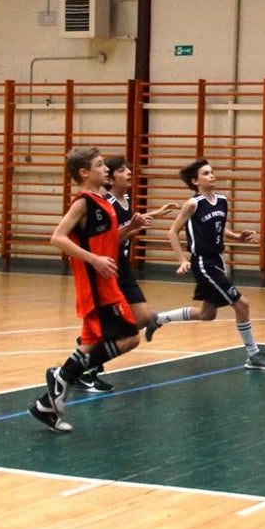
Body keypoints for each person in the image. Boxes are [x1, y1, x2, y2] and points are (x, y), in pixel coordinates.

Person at [28, 147, 144, 432]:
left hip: (107, 280)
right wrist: (94, 260)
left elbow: (106, 242)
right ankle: (62, 375)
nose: (106, 169)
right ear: (84, 173)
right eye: (100, 165)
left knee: (90, 345)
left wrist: (129, 229)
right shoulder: (83, 202)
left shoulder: (103, 201)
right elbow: (58, 238)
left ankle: (46, 407)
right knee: (130, 338)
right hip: (97, 286)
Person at [149, 159, 265, 371]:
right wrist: (182, 259)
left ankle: (158, 319)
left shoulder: (222, 200)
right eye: (205, 173)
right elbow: (172, 232)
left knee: (207, 314)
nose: (211, 175)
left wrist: (238, 237)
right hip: (203, 263)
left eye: (212, 171)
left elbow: (219, 228)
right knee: (242, 304)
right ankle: (253, 355)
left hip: (217, 260)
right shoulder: (193, 204)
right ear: (195, 181)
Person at [75, 155, 179, 393]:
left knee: (141, 318)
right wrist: (131, 229)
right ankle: (87, 366)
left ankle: (89, 347)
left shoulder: (125, 199)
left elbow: (129, 223)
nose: (129, 173)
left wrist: (156, 214)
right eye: (122, 170)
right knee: (128, 326)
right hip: (109, 266)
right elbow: (111, 236)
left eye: (128, 169)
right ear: (110, 179)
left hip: (122, 265)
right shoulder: (107, 202)